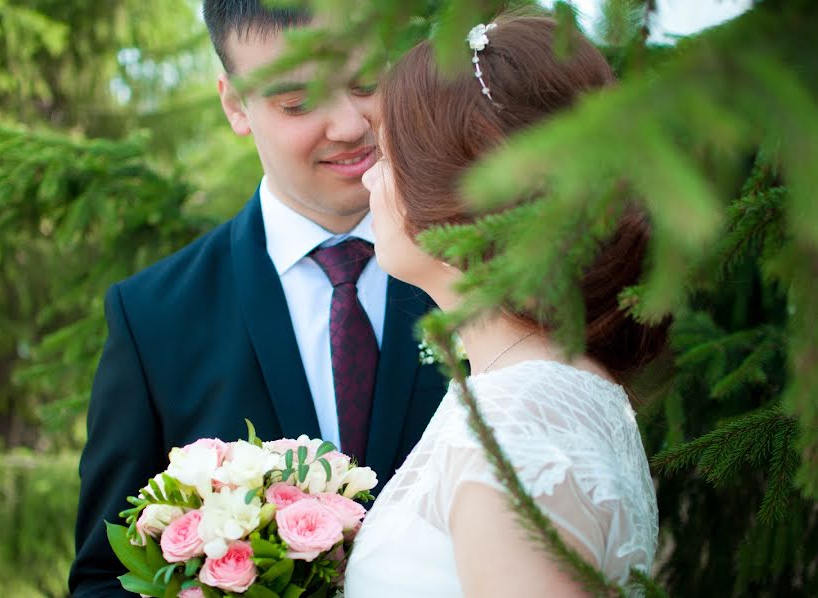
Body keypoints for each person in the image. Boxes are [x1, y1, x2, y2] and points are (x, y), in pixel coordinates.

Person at [68, 2, 447, 595]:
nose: (349, 125)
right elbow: (103, 579)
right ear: (235, 105)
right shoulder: (153, 319)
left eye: (367, 82)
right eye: (297, 102)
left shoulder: (479, 269)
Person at [345, 13, 669, 597]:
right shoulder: (550, 389)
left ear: (453, 192)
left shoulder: (519, 421)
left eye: (388, 158)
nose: (369, 181)